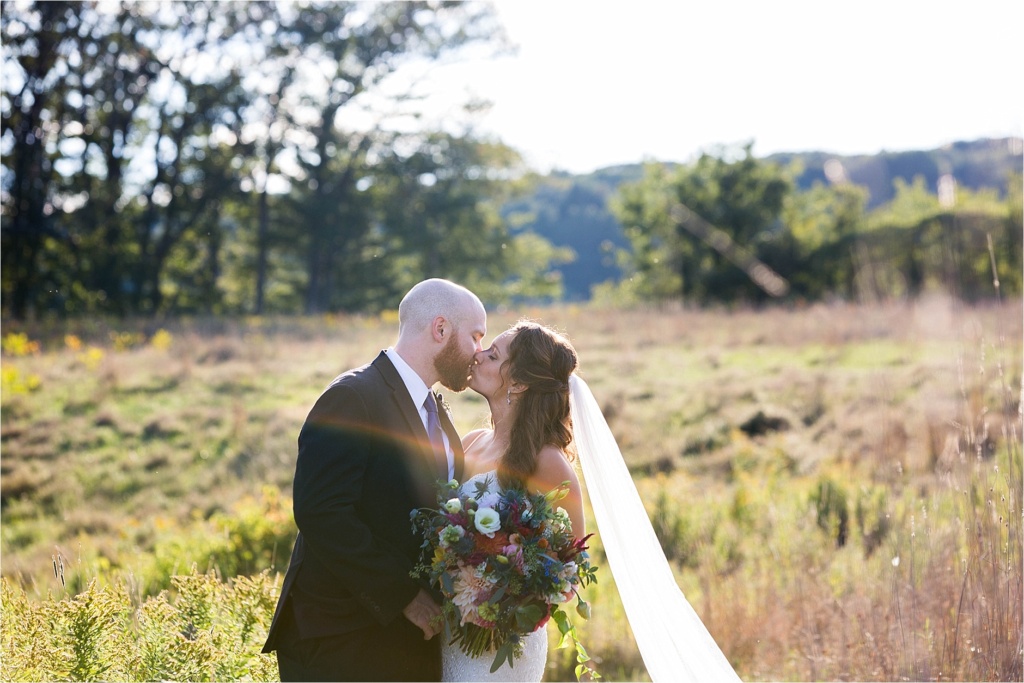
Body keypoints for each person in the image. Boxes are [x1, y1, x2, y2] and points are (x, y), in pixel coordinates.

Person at [445, 320, 742, 683]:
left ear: (519, 383)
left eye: (492, 355)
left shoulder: (547, 462)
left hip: (502, 641)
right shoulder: (472, 442)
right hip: (453, 631)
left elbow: (568, 571)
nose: (478, 357)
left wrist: (501, 599)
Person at [262, 278, 487, 682]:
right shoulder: (353, 396)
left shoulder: (435, 409)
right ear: (440, 330)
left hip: (402, 639)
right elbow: (321, 512)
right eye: (475, 336)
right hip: (341, 637)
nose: (480, 351)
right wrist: (403, 598)